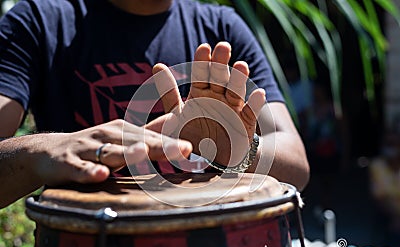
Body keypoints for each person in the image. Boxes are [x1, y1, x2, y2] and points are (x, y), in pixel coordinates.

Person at [0, 0, 309, 208]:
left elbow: (296, 164)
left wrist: (235, 150)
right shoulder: (38, 22)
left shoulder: (222, 27)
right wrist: (40, 152)